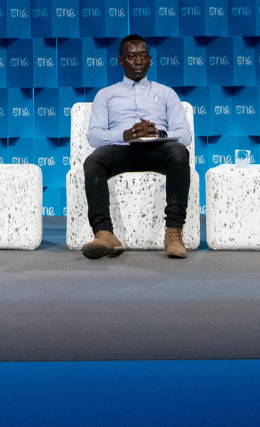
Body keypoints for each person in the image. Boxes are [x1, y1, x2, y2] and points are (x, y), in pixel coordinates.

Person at [82, 35, 193, 260]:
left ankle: (173, 232)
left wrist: (158, 134)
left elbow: (185, 135)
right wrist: (125, 135)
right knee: (93, 161)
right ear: (121, 61)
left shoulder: (166, 93)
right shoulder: (106, 95)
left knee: (180, 153)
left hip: (157, 150)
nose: (138, 61)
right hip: (121, 150)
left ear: (150, 60)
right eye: (132, 57)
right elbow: (94, 136)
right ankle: (104, 234)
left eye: (143, 56)